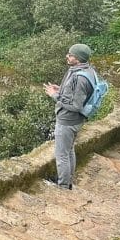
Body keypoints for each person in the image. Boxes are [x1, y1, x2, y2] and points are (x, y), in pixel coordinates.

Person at [43, 43, 96, 190]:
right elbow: (76, 95)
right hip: (75, 120)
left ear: (78, 59)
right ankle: (67, 179)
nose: (67, 56)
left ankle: (63, 186)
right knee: (69, 150)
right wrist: (61, 90)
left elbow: (76, 106)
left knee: (62, 155)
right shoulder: (87, 70)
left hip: (68, 120)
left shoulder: (80, 78)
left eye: (71, 55)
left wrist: (55, 96)